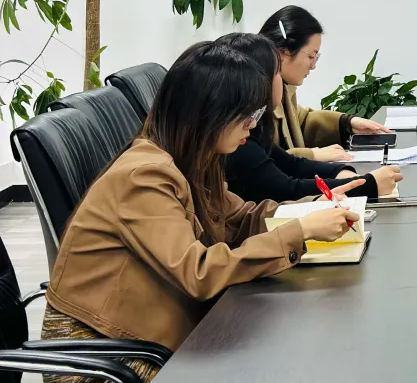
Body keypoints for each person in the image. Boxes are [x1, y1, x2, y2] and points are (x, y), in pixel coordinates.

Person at [39, 37, 365, 382]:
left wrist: (310, 210)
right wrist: (300, 232)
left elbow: (242, 217)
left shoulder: (192, 159)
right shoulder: (144, 176)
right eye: (247, 115)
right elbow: (198, 273)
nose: (253, 125)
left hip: (145, 329)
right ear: (208, 113)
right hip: (104, 351)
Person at [221, 33, 402, 204]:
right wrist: (367, 184)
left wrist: (341, 172)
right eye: (277, 72)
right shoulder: (238, 137)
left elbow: (289, 164)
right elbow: (282, 189)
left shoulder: (254, 124)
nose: (313, 65)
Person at [259, 5, 390, 163]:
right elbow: (260, 160)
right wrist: (312, 155)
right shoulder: (254, 95)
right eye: (311, 56)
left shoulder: (283, 87)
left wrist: (347, 123)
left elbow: (299, 120)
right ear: (283, 52)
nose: (313, 66)